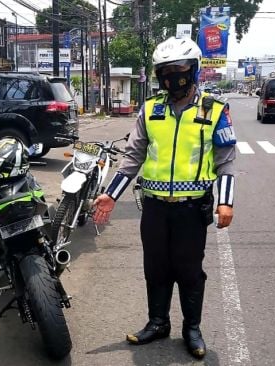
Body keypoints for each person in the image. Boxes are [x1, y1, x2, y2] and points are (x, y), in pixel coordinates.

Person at [92, 36, 237, 359]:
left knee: (188, 270)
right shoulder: (150, 110)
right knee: (156, 267)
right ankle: (158, 323)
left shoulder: (213, 109)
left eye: (179, 69)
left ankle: (192, 329)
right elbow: (133, 157)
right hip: (155, 207)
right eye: (165, 71)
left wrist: (226, 202)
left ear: (194, 70)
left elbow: (226, 160)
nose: (172, 77)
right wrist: (110, 195)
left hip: (191, 209)